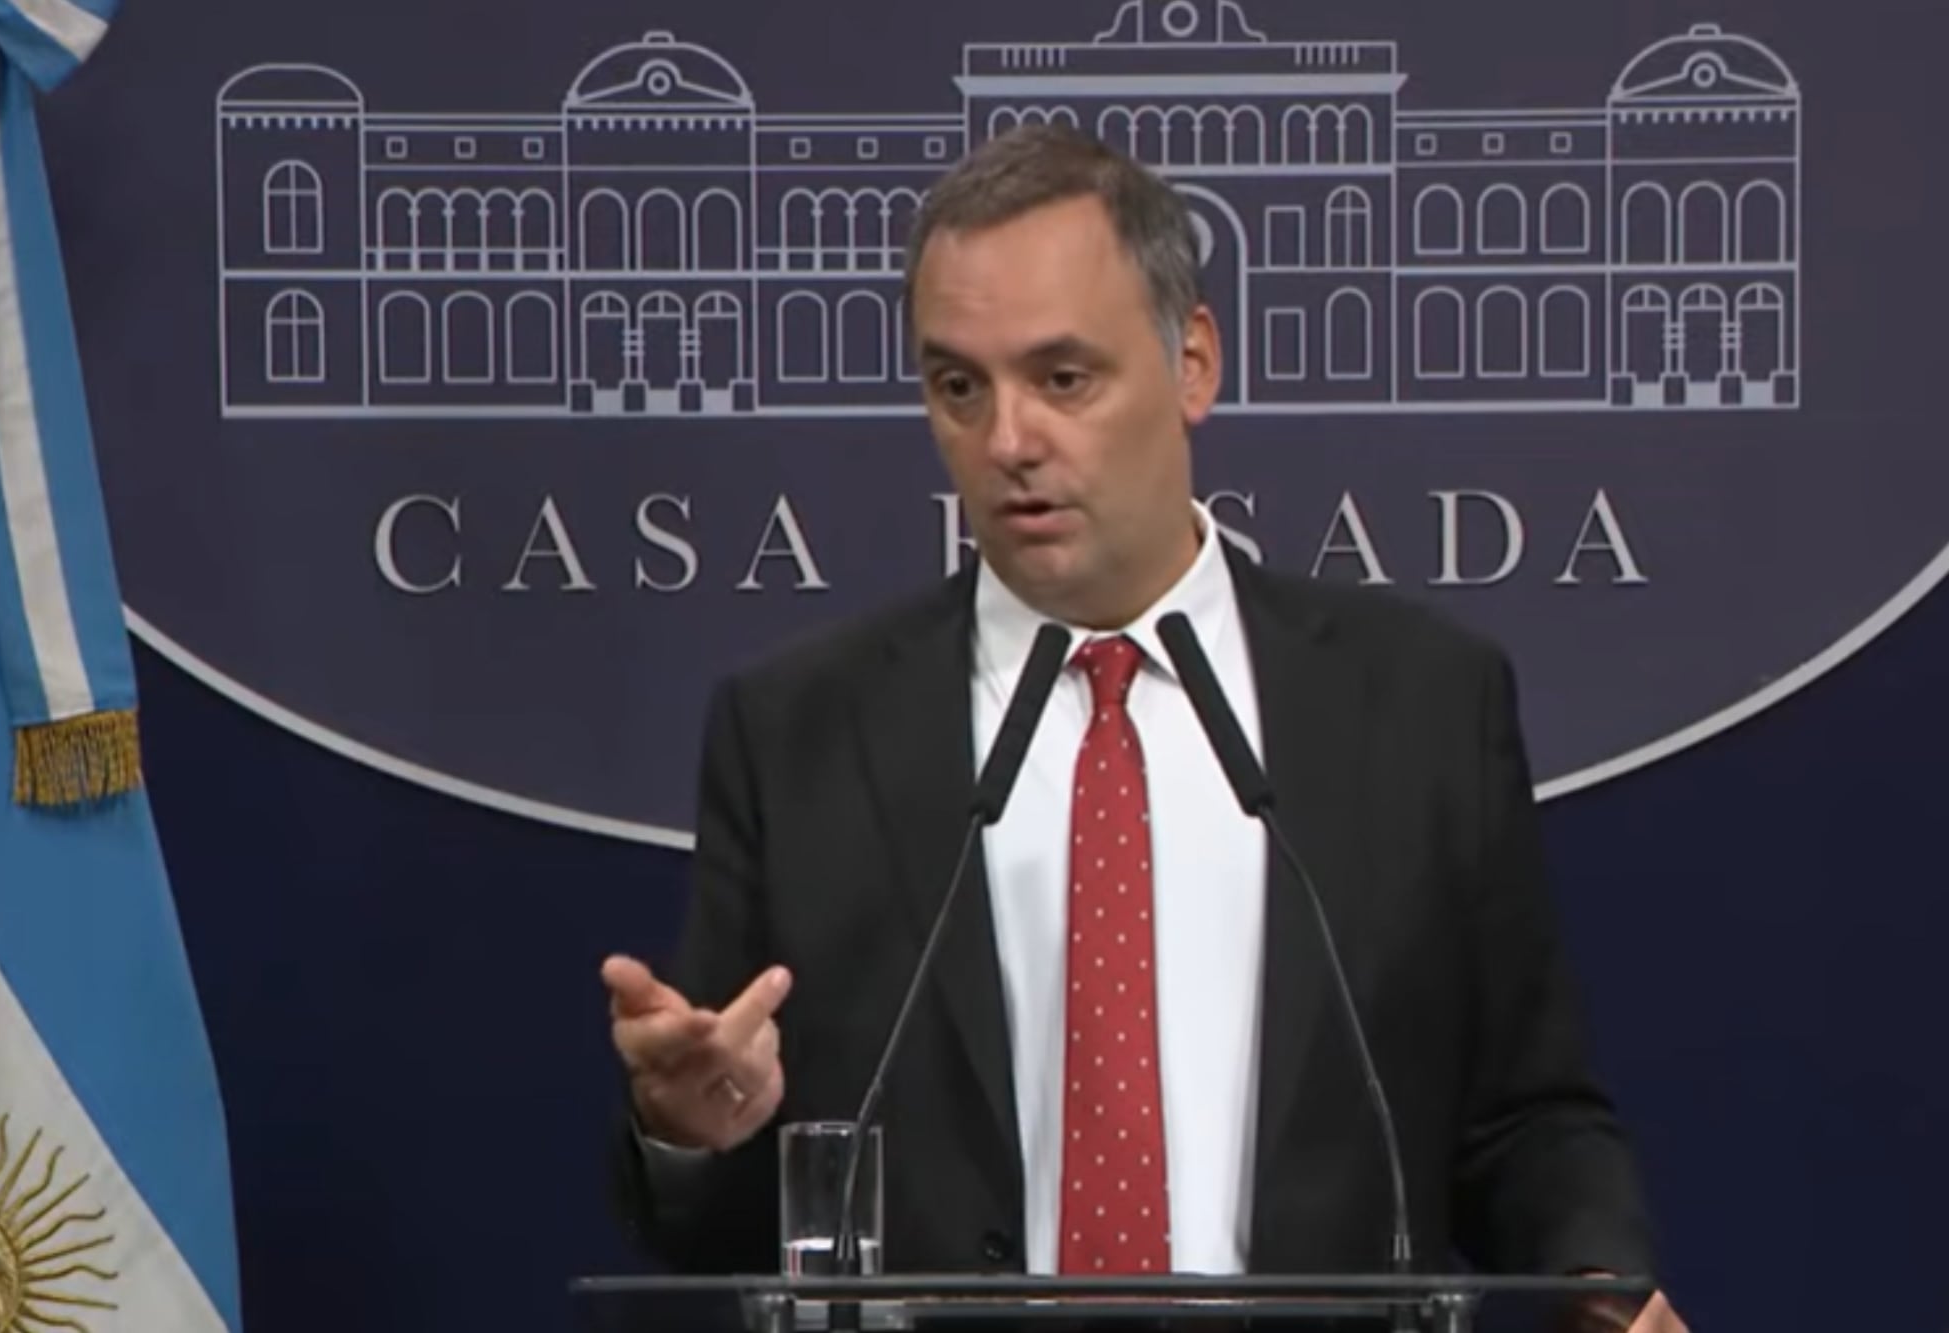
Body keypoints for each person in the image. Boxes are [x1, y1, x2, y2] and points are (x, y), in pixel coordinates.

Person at [601, 124, 1688, 1331]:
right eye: (958, 386)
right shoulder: (799, 732)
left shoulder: (1420, 704)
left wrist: (1597, 1287)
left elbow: (1521, 1117)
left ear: (1192, 364)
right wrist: (690, 1133)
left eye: (1062, 378)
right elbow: (725, 1205)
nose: (1006, 440)